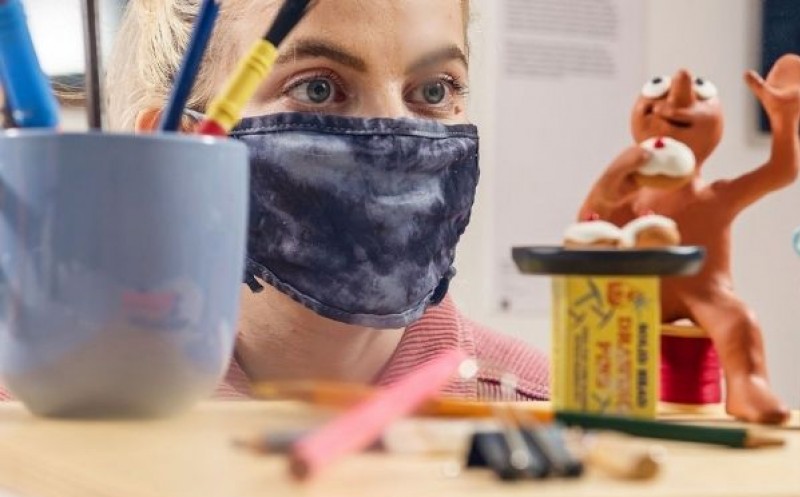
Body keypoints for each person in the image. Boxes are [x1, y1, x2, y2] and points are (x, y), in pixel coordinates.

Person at [105, 0, 550, 400]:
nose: (393, 135)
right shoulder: (83, 429)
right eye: (316, 88)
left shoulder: (555, 419)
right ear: (175, 154)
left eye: (435, 90)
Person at [579, 57, 800, 423]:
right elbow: (590, 228)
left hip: (708, 292)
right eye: (657, 94)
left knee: (739, 321)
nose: (677, 97)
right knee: (598, 325)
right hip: (637, 293)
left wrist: (784, 119)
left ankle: (747, 386)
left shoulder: (716, 196)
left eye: (697, 95)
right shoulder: (628, 193)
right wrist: (613, 179)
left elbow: (781, 171)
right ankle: (597, 393)